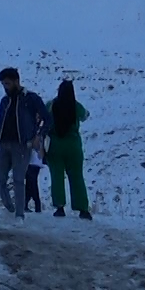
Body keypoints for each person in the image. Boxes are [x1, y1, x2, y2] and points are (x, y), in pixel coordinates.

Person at [0, 67, 50, 218]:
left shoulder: (31, 98)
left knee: (18, 179)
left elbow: (47, 119)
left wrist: (38, 136)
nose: (5, 87)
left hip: (22, 145)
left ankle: (19, 215)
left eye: (7, 84)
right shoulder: (4, 101)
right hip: (3, 144)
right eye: (3, 84)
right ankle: (10, 208)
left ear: (16, 81)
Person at [49, 78, 92, 220]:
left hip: (55, 145)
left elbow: (42, 115)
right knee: (77, 176)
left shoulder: (52, 105)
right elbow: (86, 115)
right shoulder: (75, 106)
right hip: (73, 145)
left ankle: (59, 207)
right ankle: (83, 209)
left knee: (57, 176)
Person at [24, 139, 46, 215]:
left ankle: (36, 204)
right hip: (33, 162)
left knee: (32, 184)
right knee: (30, 184)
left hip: (34, 162)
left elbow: (36, 146)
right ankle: (28, 204)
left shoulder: (37, 136)